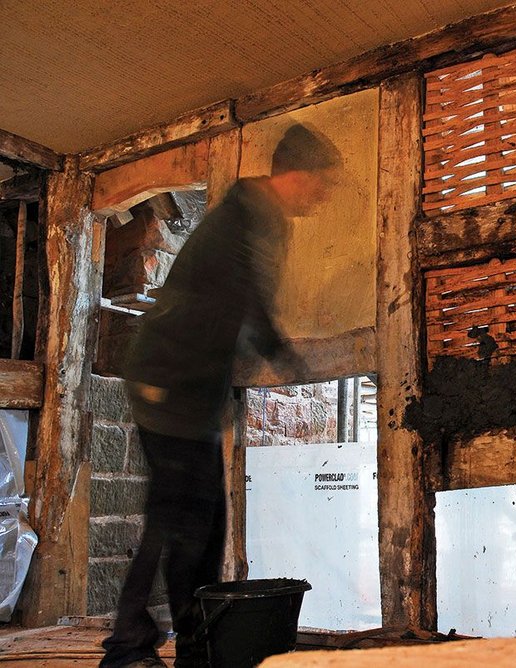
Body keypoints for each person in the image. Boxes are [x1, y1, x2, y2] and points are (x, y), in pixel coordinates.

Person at [100, 124, 339, 668]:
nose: (323, 196)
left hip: (194, 389)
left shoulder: (263, 218)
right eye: (321, 184)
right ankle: (126, 647)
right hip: (169, 379)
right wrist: (286, 358)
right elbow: (245, 297)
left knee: (206, 522)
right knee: (174, 514)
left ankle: (196, 645)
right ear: (297, 175)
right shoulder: (242, 218)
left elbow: (237, 307)